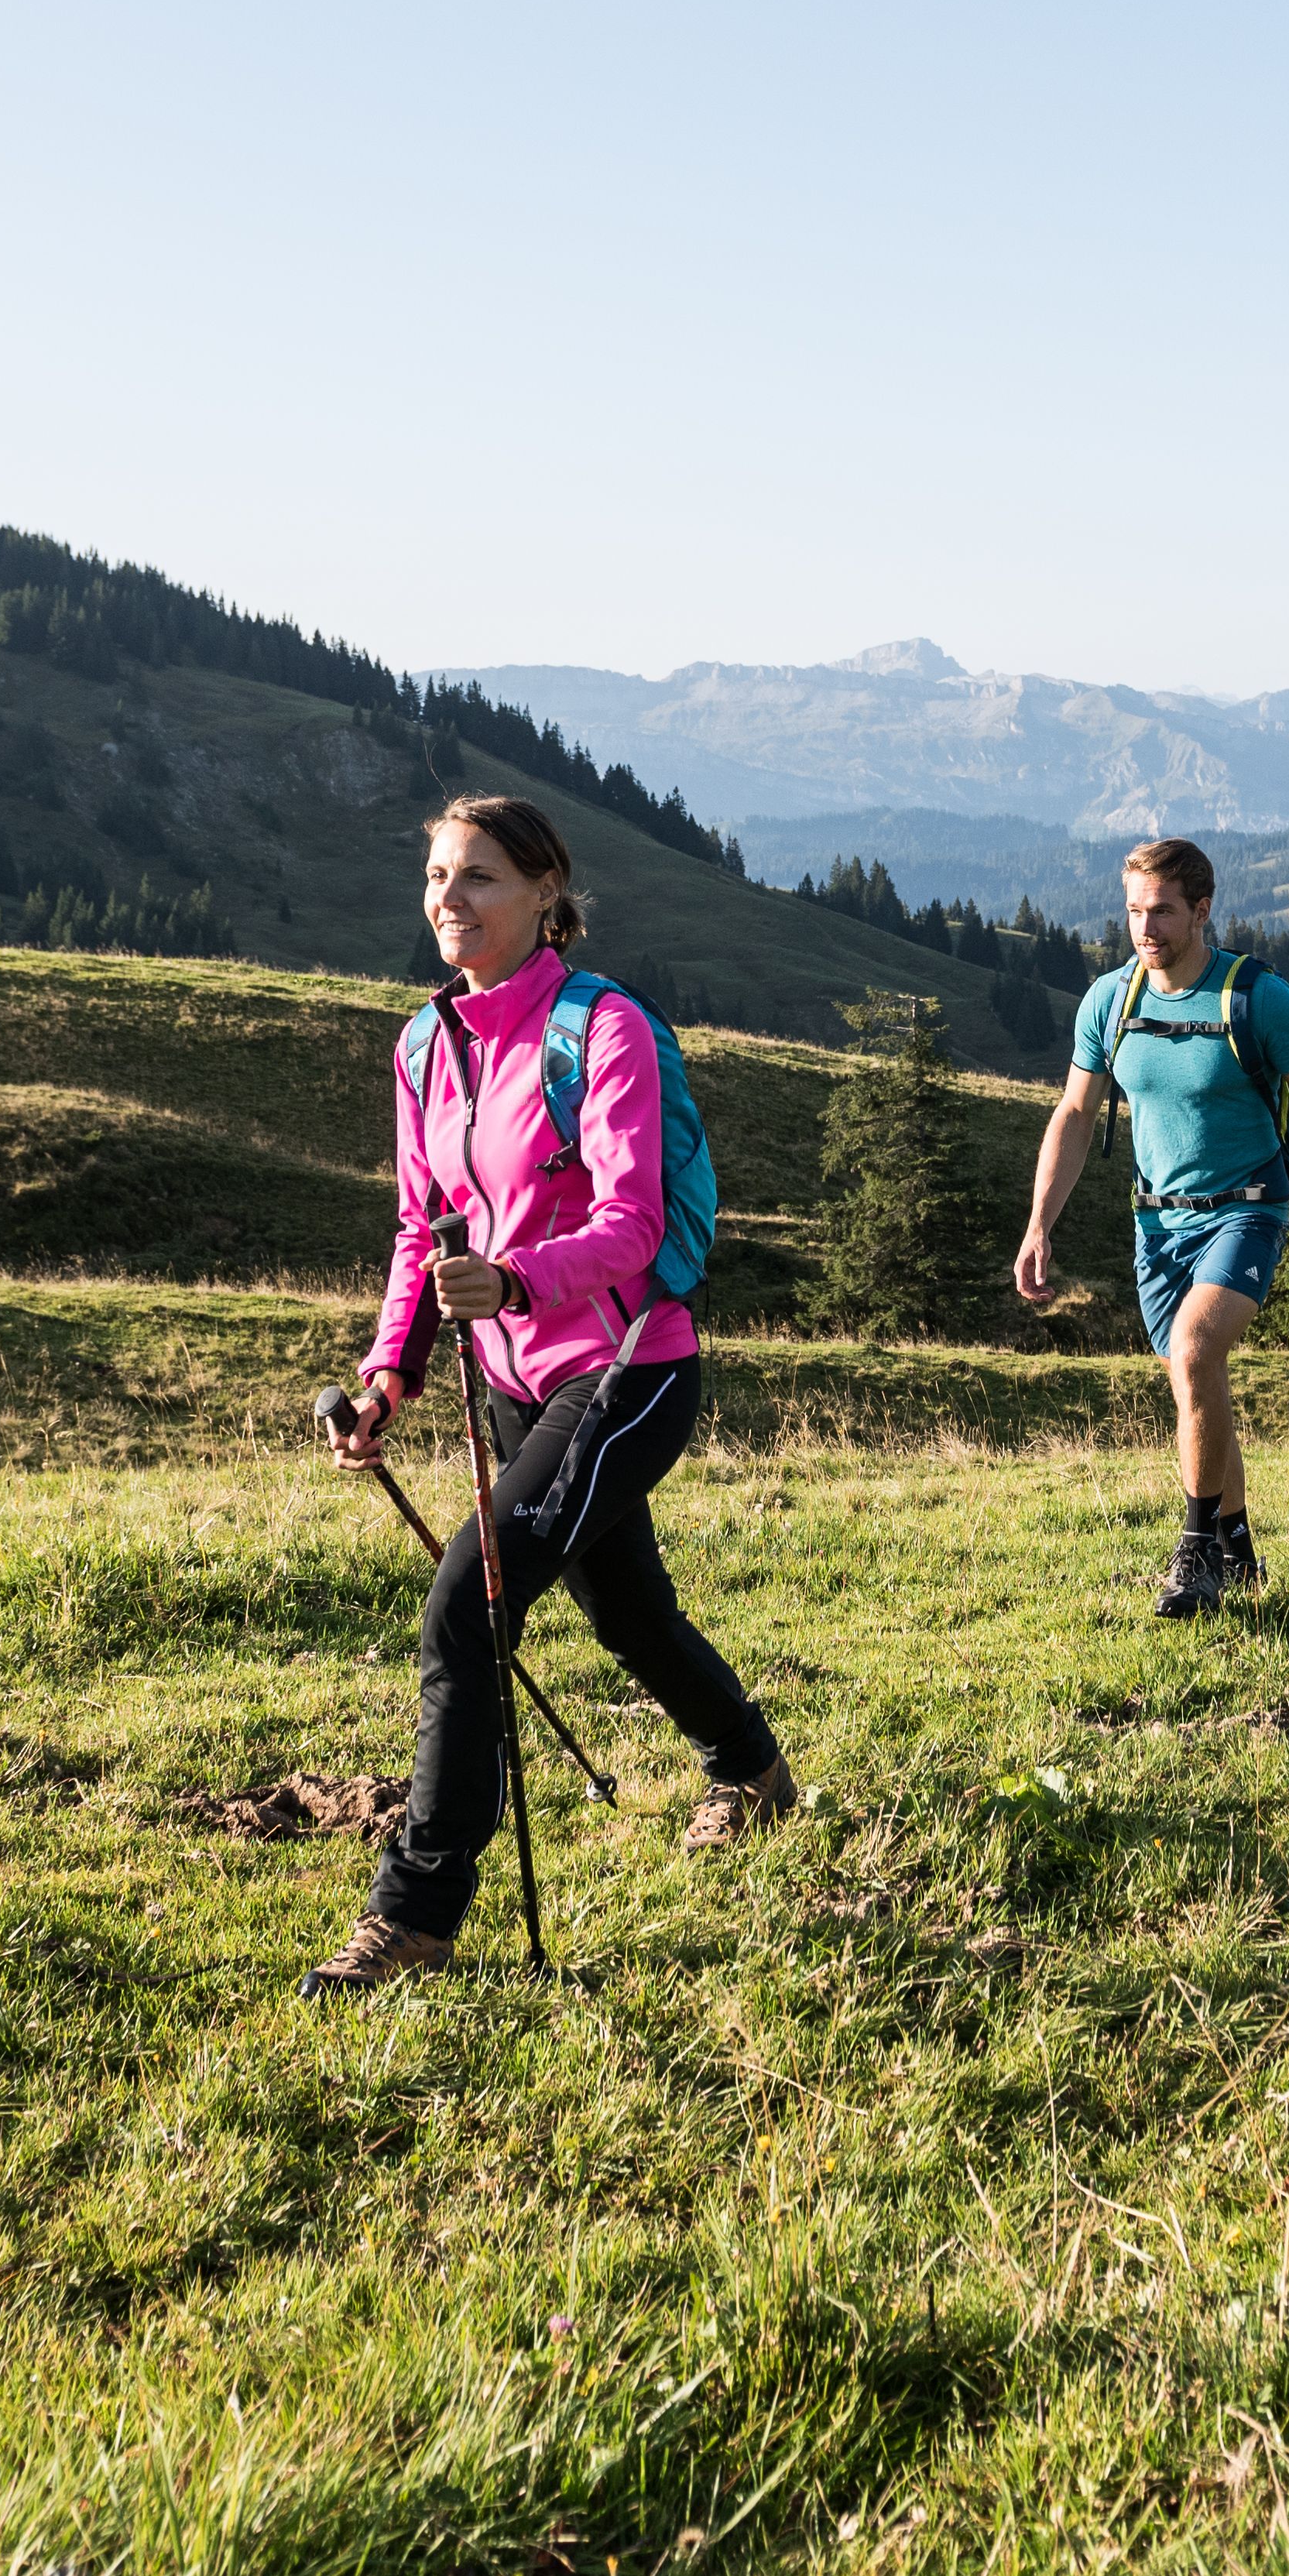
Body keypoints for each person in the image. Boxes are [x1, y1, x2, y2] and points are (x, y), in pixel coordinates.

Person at [307, 793, 795, 1996]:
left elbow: (631, 1228)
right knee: (626, 1610)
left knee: (464, 1611)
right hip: (518, 1379)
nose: (449, 900)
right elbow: (423, 1232)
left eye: (478, 878)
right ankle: (752, 1771)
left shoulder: (603, 1029)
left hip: (630, 1369)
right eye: (436, 876)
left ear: (543, 895)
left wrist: (518, 1280)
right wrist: (387, 1377)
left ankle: (415, 1913)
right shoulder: (427, 1045)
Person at [1012, 837, 1289, 1617]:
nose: (1147, 926)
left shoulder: (1257, 997)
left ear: (1202, 909)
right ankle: (1237, 1549)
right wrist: (1039, 1224)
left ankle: (1195, 1551)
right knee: (1194, 1383)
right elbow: (1074, 1112)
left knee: (1198, 1351)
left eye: (1163, 910)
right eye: (1135, 909)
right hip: (1157, 1223)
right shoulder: (1111, 999)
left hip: (1247, 1208)